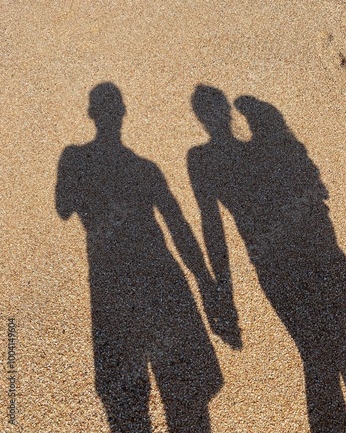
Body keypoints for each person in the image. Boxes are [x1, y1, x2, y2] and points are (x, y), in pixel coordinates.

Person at [188, 84, 346, 432]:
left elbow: (213, 229)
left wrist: (221, 291)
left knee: (319, 358)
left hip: (278, 266)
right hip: (321, 254)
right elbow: (318, 193)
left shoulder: (202, 161)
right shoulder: (274, 147)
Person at [56, 82, 223, 432]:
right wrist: (204, 279)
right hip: (159, 279)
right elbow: (177, 226)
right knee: (182, 397)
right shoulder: (146, 169)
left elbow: (63, 208)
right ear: (122, 115)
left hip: (111, 285)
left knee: (127, 401)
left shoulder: (73, 158)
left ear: (92, 115)